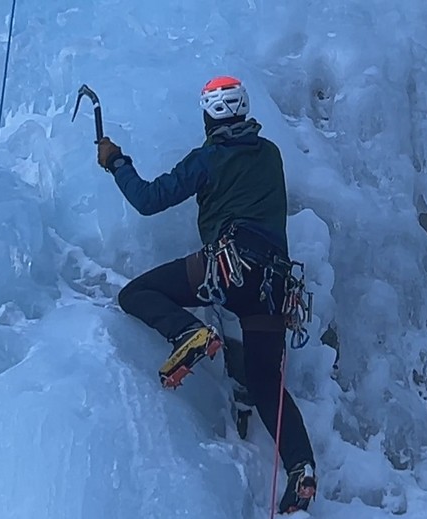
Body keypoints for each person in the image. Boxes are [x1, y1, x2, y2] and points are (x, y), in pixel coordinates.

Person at [96, 76, 317, 513]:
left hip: (229, 268)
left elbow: (149, 198)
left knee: (137, 294)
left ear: (207, 117)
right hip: (273, 288)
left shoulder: (209, 159)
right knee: (265, 381)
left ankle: (188, 333)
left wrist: (116, 162)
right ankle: (301, 470)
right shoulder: (270, 154)